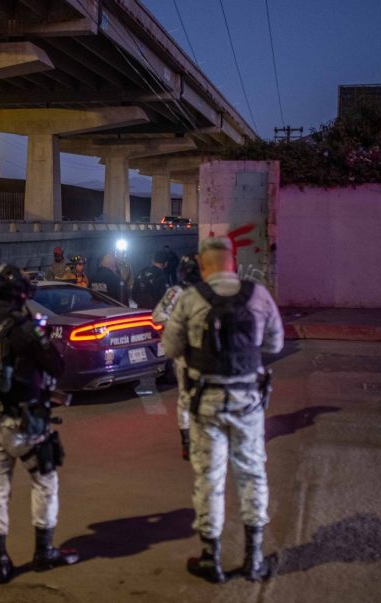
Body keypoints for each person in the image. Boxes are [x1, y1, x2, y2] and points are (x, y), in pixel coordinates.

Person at [162, 236, 284, 584]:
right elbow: (275, 343)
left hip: (206, 403)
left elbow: (170, 348)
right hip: (247, 402)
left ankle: (210, 559)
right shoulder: (258, 295)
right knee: (252, 475)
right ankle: (253, 559)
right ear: (233, 262)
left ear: (203, 266)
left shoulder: (189, 298)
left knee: (209, 480)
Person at [0, 263, 79, 585]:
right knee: (44, 481)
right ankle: (44, 553)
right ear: (20, 294)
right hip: (23, 421)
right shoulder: (24, 328)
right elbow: (56, 364)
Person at [152, 253, 201, 460]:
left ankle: (188, 443)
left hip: (186, 352)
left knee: (185, 397)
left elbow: (158, 316)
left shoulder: (176, 291)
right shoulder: (211, 290)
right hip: (203, 351)